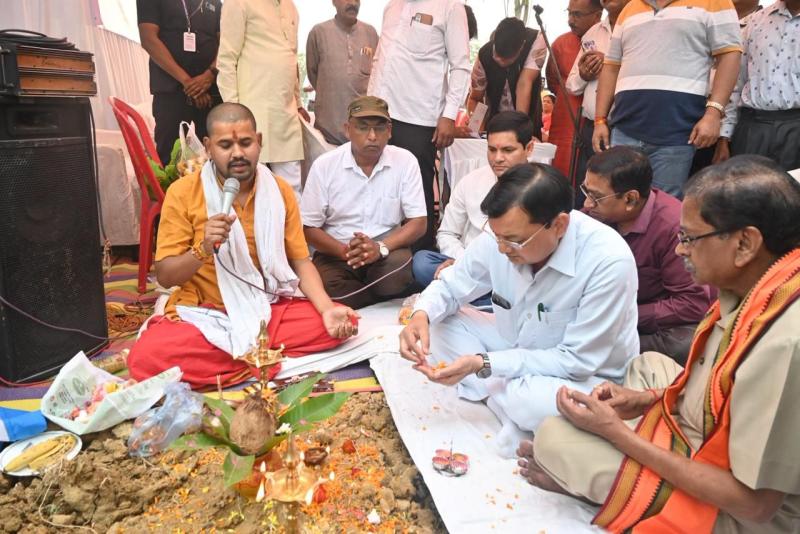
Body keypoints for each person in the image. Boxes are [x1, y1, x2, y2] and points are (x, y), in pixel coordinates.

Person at [522, 155, 800, 533]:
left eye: (689, 238)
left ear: (745, 243)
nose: (681, 250)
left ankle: (604, 489)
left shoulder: (784, 343)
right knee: (649, 363)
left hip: (743, 513)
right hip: (703, 434)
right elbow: (721, 390)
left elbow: (753, 504)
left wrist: (616, 434)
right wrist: (645, 399)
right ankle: (610, 473)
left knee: (554, 439)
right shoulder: (763, 281)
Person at [399, 163, 639, 457]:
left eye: (513, 241)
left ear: (559, 225)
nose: (502, 249)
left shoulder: (608, 261)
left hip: (585, 377)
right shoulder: (501, 236)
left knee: (532, 402)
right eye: (497, 236)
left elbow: (576, 361)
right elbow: (452, 286)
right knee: (439, 325)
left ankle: (502, 400)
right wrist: (420, 315)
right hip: (518, 345)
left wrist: (483, 363)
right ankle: (507, 406)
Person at [127, 103, 359, 389]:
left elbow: (300, 261)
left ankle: (240, 355)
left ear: (259, 142)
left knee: (341, 323)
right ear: (208, 148)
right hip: (206, 311)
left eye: (246, 143)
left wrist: (325, 309)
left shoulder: (279, 191)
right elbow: (165, 275)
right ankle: (259, 355)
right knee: (147, 357)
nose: (237, 153)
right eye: (225, 145)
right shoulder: (183, 192)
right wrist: (202, 248)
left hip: (266, 306)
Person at [592, 0, 742, 198]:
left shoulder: (715, 2)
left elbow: (730, 55)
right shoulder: (630, 8)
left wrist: (713, 113)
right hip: (624, 128)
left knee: (663, 205)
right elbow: (611, 66)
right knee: (615, 200)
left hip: (677, 133)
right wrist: (600, 120)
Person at [581, 147, 713, 364]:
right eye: (586, 192)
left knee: (685, 344)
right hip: (604, 310)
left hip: (647, 320)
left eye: (596, 197)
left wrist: (622, 315)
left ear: (630, 199)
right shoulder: (593, 216)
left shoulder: (672, 227)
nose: (587, 204)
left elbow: (691, 303)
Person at [301, 97, 427, 309]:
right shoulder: (325, 165)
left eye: (379, 128)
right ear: (347, 130)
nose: (372, 136)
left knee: (396, 274)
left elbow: (419, 222)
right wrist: (345, 251)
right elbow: (308, 228)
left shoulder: (405, 161)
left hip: (387, 251)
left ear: (390, 131)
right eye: (362, 127)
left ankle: (371, 297)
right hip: (338, 252)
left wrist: (380, 247)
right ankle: (380, 301)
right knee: (327, 286)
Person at [368, 0, 471, 251]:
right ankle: (378, 248)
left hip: (418, 118)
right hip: (380, 115)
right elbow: (381, 60)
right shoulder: (392, 6)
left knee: (418, 191)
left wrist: (449, 115)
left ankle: (420, 256)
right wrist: (368, 107)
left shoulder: (450, 7)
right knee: (377, 184)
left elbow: (460, 66)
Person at [412, 111, 535, 308]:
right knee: (422, 262)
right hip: (467, 265)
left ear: (528, 148)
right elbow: (447, 233)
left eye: (507, 150)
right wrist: (464, 262)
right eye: (492, 150)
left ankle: (465, 296)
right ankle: (490, 302)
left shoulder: (540, 187)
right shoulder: (471, 181)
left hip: (515, 269)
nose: (498, 158)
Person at [216, 0, 307, 194]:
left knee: (291, 189)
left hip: (286, 115)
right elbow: (226, 60)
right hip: (250, 115)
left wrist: (298, 103)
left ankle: (291, 216)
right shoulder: (238, 2)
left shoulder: (290, 7)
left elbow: (291, 60)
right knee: (252, 190)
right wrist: (233, 111)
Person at [717, 0, 800, 171]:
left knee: (792, 186)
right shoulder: (756, 21)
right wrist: (724, 137)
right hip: (752, 127)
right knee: (746, 185)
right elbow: (737, 82)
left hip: (796, 128)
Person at [137, 0, 222, 165]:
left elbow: (226, 43)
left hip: (211, 90)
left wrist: (209, 76)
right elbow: (148, 39)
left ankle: (209, 183)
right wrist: (188, 82)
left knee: (216, 154)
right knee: (170, 156)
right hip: (170, 90)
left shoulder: (215, 3)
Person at [566, 0, 631, 206]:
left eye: (577, 14)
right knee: (586, 189)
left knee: (615, 191)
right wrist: (583, 75)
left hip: (623, 126)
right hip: (591, 126)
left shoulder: (639, 26)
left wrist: (611, 64)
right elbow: (572, 85)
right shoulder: (593, 33)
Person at [306, 0, 379, 146]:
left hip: (362, 137)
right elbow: (313, 74)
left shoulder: (370, 33)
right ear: (334, 2)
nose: (353, 3)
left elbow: (376, 76)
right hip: (327, 135)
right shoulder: (319, 33)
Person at [546, 0, 603, 179]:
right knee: (559, 171)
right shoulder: (560, 44)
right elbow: (553, 82)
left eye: (577, 14)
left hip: (595, 121)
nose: (570, 20)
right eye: (569, 13)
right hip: (564, 118)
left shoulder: (611, 39)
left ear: (597, 16)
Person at [466, 18, 546, 135]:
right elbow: (475, 98)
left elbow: (524, 83)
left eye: (506, 58)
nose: (499, 60)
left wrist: (521, 132)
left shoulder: (536, 40)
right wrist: (478, 130)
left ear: (521, 47)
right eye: (497, 54)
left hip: (528, 121)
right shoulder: (484, 55)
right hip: (494, 124)